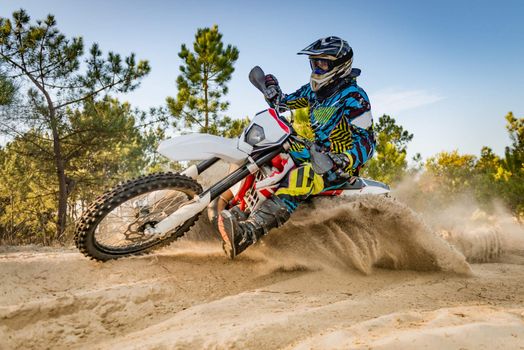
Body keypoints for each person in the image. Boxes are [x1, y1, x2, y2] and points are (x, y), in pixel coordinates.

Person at [218, 36, 375, 258]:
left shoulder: (355, 98)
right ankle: (238, 206)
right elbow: (283, 103)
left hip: (337, 167)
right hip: (315, 151)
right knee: (270, 151)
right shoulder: (313, 91)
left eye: (323, 63)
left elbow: (367, 142)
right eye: (314, 63)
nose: (317, 68)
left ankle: (248, 233)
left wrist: (345, 159)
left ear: (339, 66)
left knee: (302, 177)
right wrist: (271, 89)